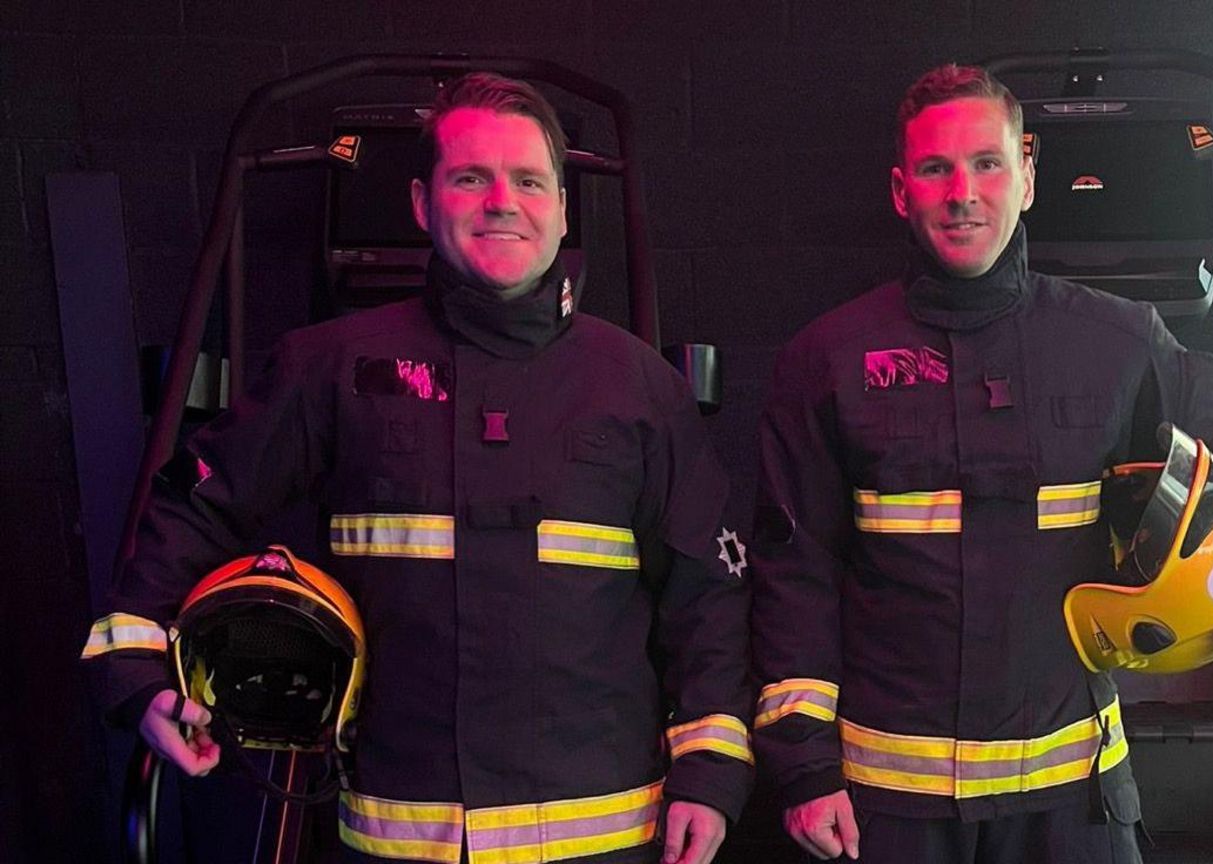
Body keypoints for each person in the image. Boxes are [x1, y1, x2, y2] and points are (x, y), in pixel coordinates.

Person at [80, 72, 754, 864]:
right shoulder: (332, 368)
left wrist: (710, 775)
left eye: (530, 181)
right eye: (471, 177)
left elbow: (706, 598)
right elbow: (197, 503)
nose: (503, 200)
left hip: (604, 839)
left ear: (562, 209)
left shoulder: (641, 387)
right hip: (392, 838)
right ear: (421, 204)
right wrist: (136, 673)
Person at [748, 64, 1213, 864]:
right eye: (936, 168)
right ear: (902, 190)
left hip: (1074, 811)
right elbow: (793, 577)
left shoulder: (1120, 343)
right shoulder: (827, 361)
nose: (963, 191)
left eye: (987, 164)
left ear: (1027, 177)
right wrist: (802, 768)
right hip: (884, 814)